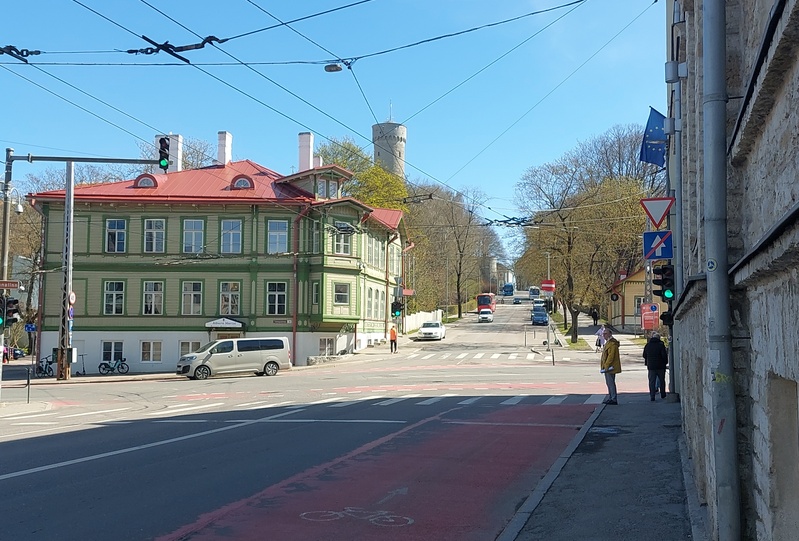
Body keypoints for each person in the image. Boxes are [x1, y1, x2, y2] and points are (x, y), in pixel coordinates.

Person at [643, 332, 669, 401]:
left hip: (651, 366)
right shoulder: (661, 345)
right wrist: (665, 362)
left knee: (652, 381)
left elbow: (644, 355)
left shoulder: (648, 345)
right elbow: (664, 355)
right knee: (661, 380)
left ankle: (652, 396)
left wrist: (648, 360)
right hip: (661, 366)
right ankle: (663, 394)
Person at [600, 328, 621, 404]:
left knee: (611, 383)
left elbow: (611, 356)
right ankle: (611, 397)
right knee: (609, 383)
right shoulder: (609, 342)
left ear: (610, 334)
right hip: (608, 366)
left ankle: (613, 398)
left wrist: (606, 366)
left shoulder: (612, 343)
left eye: (605, 334)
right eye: (603, 334)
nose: (603, 335)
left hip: (610, 367)